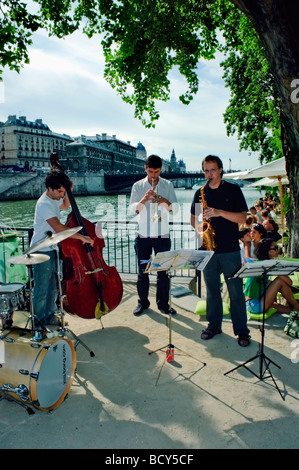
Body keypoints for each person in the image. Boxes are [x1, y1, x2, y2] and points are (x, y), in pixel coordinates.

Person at [190, 155, 251, 347]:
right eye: (206, 170)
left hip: (230, 250)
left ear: (221, 170)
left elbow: (243, 218)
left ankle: (242, 332)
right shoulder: (200, 192)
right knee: (212, 292)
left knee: (235, 293)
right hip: (207, 250)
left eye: (213, 170)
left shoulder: (233, 190)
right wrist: (200, 229)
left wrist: (219, 212)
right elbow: (193, 217)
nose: (209, 174)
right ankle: (214, 326)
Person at [30, 169, 93, 330]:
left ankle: (50, 316)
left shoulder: (54, 198)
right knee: (41, 289)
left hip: (51, 249)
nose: (61, 195)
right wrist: (82, 237)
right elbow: (58, 228)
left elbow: (65, 205)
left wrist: (68, 192)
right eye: (59, 191)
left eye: (63, 191)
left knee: (52, 287)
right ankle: (38, 323)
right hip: (40, 250)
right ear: (50, 188)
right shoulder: (44, 203)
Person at [129, 154, 179, 316]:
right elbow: (132, 211)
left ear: (160, 170)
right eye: (151, 171)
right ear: (145, 168)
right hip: (143, 236)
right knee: (143, 272)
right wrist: (143, 200)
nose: (153, 176)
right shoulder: (137, 186)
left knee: (163, 272)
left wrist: (162, 199)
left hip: (162, 236)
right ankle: (143, 303)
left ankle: (163, 304)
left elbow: (176, 210)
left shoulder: (168, 185)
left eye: (156, 172)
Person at [244, 238, 299, 314]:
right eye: (275, 248)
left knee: (291, 310)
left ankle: (296, 308)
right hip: (255, 304)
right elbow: (289, 282)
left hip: (252, 302)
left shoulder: (261, 262)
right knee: (279, 281)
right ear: (267, 251)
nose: (278, 250)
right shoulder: (268, 265)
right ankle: (296, 305)